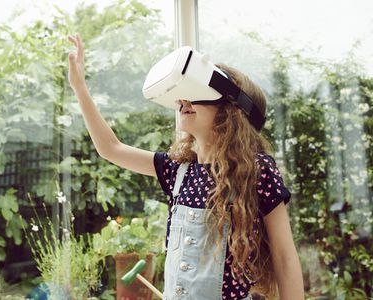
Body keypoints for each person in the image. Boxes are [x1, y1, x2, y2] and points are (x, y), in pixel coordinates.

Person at [67, 34, 304, 300]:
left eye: (197, 94)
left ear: (231, 111)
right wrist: (79, 87)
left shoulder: (258, 172)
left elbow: (284, 258)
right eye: (183, 96)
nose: (184, 102)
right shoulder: (177, 170)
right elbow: (111, 148)